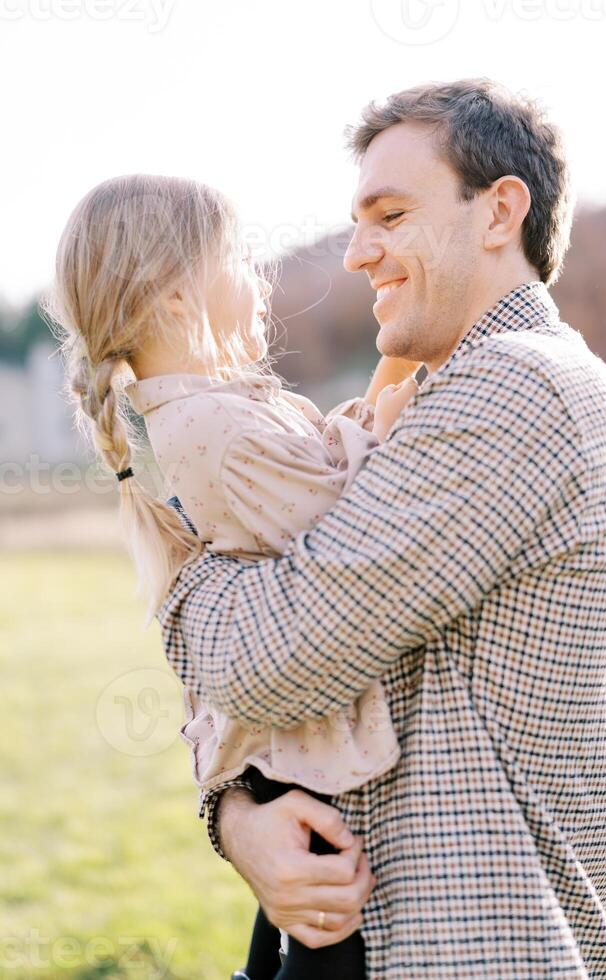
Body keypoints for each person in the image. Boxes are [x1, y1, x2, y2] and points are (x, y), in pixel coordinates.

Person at [158, 80, 606, 978]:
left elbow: (276, 662)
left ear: (499, 212)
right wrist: (237, 817)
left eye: (389, 215)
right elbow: (312, 682)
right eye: (356, 222)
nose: (356, 254)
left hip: (465, 950)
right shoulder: (415, 409)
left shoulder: (521, 388)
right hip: (357, 942)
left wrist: (169, 561)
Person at [46, 171, 422, 979]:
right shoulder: (209, 424)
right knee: (331, 949)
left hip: (284, 753)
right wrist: (390, 426)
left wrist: (373, 402)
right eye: (239, 261)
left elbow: (309, 469)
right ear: (176, 296)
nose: (258, 281)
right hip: (312, 757)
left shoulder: (197, 411)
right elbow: (344, 513)